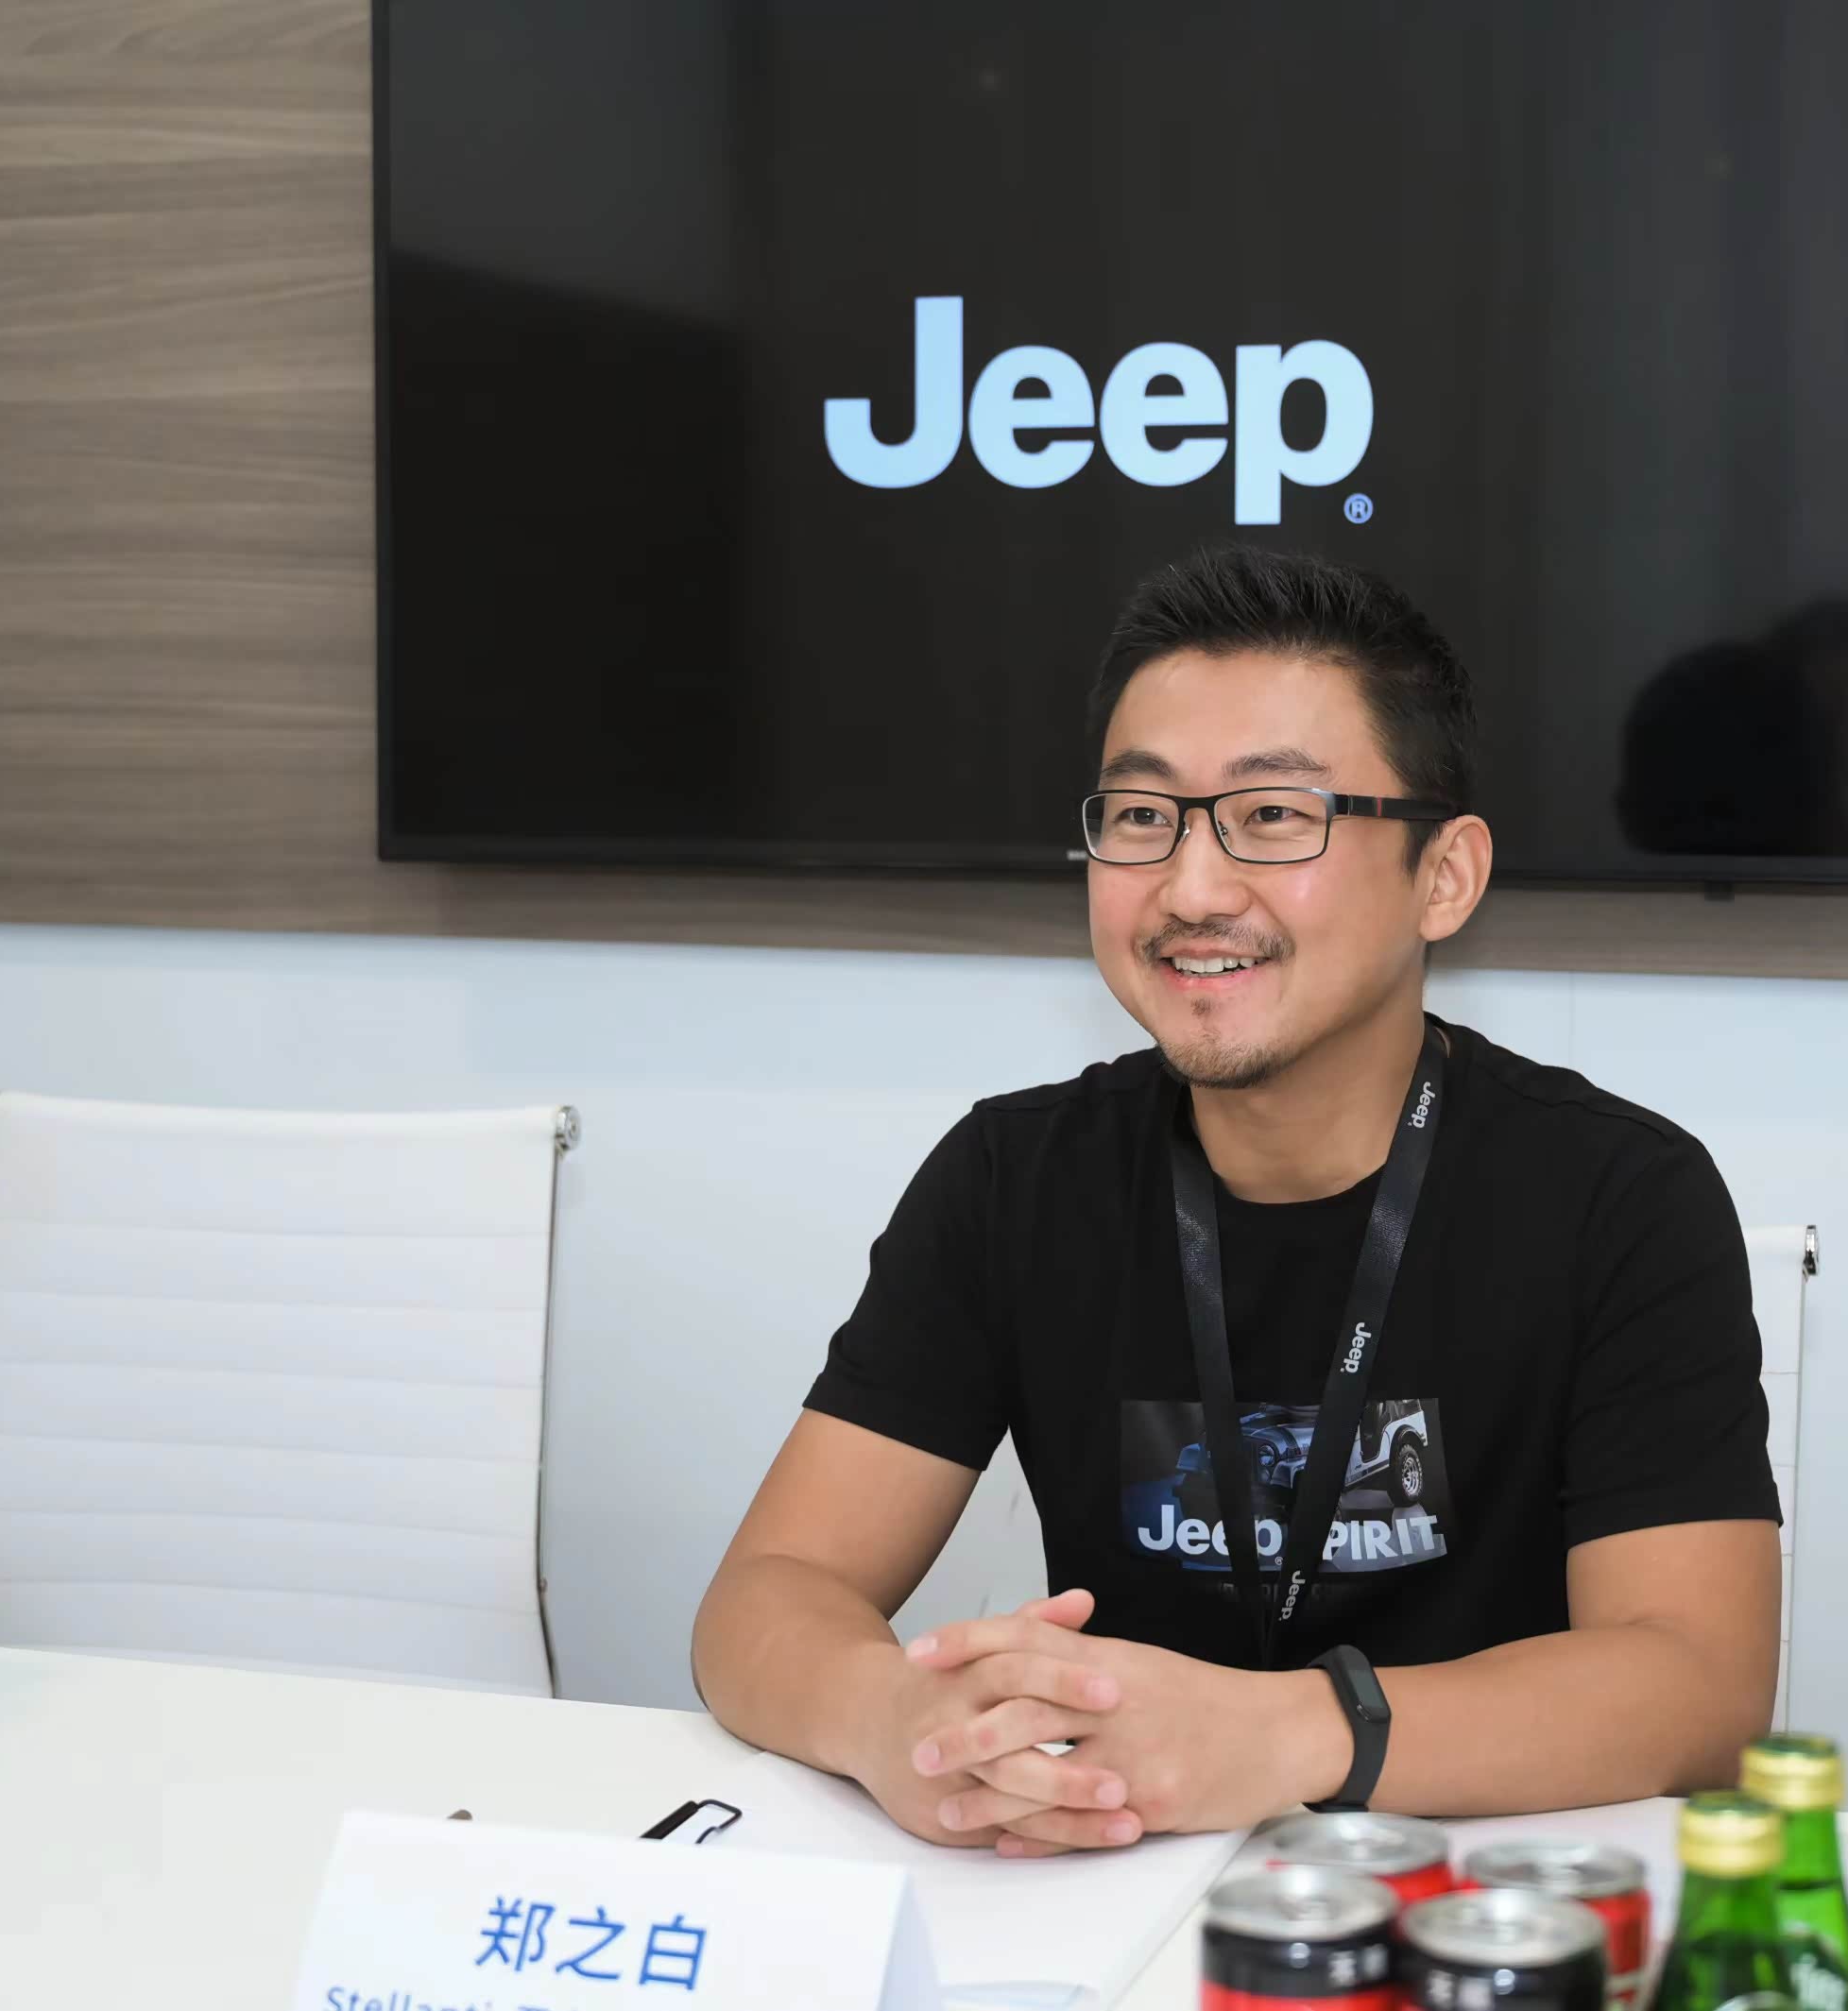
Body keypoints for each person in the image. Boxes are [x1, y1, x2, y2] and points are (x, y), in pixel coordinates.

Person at [692, 546, 1779, 1857]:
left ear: (1444, 875)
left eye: (1272, 815)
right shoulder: (1014, 1179)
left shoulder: (1619, 1195)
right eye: (1142, 817)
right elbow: (765, 1598)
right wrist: (902, 1726)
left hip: (1486, 1895)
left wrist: (1283, 1736)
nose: (1193, 889)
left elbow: (1699, 1687)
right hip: (1106, 1882)